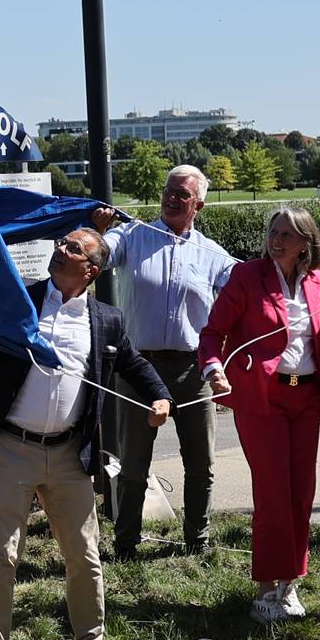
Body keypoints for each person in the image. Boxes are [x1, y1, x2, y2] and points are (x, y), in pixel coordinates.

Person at [0, 227, 170, 640]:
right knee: (1, 552)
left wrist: (160, 397)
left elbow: (133, 363)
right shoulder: (20, 300)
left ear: (91, 270)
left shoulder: (107, 319)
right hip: (11, 447)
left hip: (70, 454)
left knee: (84, 552)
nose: (60, 249)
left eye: (73, 248)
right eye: (61, 242)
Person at [198, 206, 320, 622]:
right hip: (263, 398)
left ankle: (290, 584)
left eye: (287, 233)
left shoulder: (318, 281)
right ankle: (265, 590)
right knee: (273, 495)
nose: (277, 240)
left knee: (301, 493)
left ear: (306, 242)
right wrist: (214, 369)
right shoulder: (247, 276)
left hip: (306, 399)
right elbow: (213, 333)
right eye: (273, 231)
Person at [102, 167, 237, 556]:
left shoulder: (212, 254)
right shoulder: (133, 236)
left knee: (200, 462)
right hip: (138, 368)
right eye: (168, 191)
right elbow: (101, 252)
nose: (172, 199)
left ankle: (198, 541)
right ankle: (126, 543)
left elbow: (244, 291)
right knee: (133, 463)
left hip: (192, 370)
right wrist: (96, 231)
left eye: (182, 194)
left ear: (199, 205)